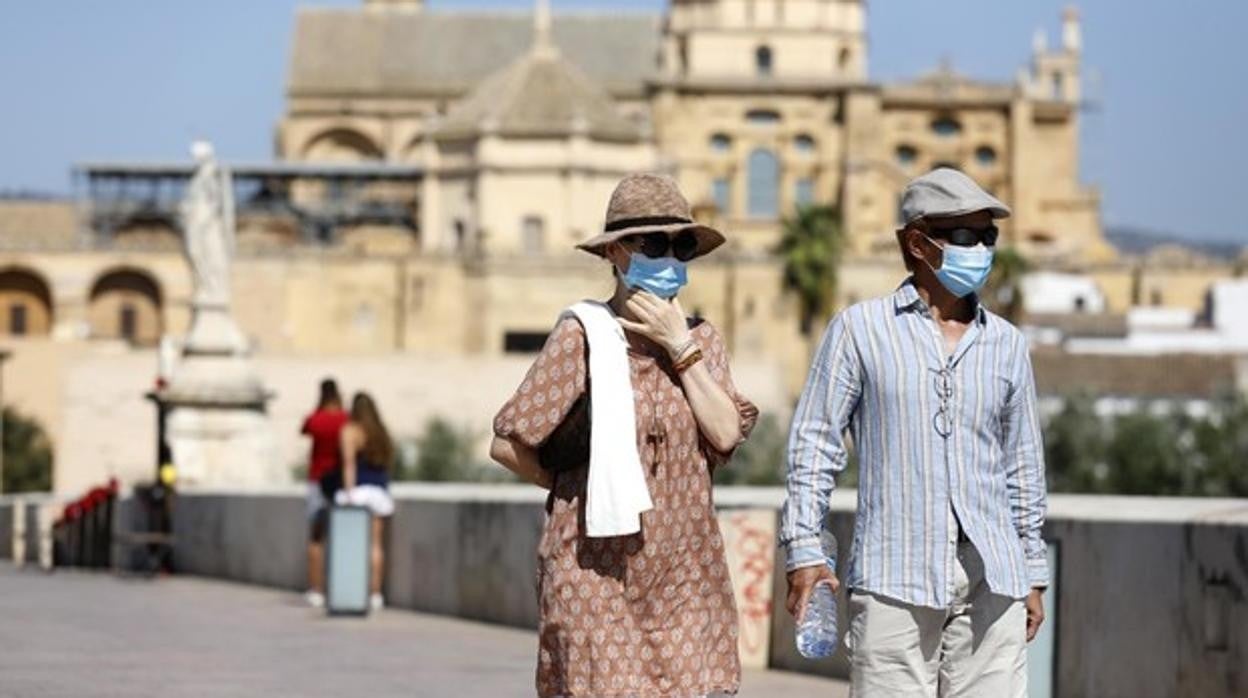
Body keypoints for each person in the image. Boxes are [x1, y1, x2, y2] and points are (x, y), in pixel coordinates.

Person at [779, 168, 1049, 697]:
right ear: (918, 243)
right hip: (893, 579)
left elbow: (1023, 465)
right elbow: (815, 445)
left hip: (993, 581)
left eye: (988, 236)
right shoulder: (860, 330)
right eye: (965, 236)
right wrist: (804, 550)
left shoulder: (1008, 345)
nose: (981, 250)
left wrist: (1032, 571)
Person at [490, 173, 759, 698]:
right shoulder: (582, 336)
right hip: (595, 574)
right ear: (616, 252)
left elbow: (726, 434)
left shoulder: (702, 340)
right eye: (654, 245)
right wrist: (581, 488)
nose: (670, 258)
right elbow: (508, 444)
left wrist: (679, 347)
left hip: (685, 577)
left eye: (681, 246)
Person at [332, 392, 396, 611]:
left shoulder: (350, 431)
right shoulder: (380, 431)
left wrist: (349, 493)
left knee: (351, 546)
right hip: (379, 493)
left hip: (358, 491)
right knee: (375, 545)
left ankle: (352, 590)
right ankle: (375, 594)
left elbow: (348, 463)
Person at [300, 378, 349, 608]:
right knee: (343, 535)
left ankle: (315, 589)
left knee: (316, 537)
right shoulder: (345, 419)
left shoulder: (316, 419)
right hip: (339, 481)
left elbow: (304, 429)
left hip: (317, 481)